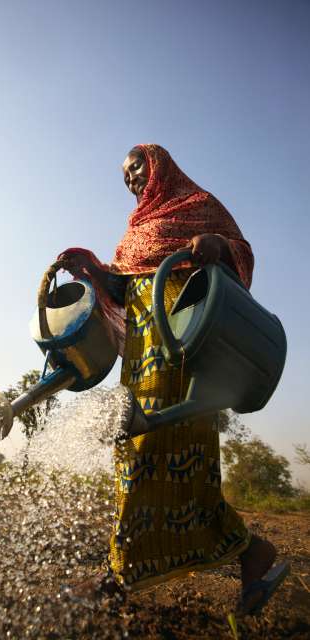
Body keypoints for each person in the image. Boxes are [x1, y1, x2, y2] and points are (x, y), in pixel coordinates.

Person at [59, 144, 289, 615]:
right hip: (143, 359)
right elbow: (124, 291)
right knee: (144, 455)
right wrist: (93, 269)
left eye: (136, 167)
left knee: (162, 455)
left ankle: (117, 578)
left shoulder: (195, 205)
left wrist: (219, 247)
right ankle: (251, 555)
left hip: (184, 351)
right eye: (124, 174)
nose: (131, 178)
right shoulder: (135, 230)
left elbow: (240, 254)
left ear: (158, 164)